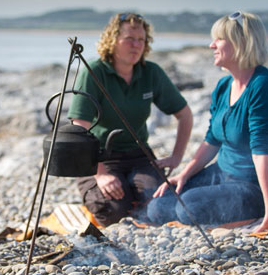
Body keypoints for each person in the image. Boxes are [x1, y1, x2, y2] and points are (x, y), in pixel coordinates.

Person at [147, 11, 268, 233]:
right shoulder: (224, 86)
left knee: (188, 208)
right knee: (158, 206)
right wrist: (184, 175)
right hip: (223, 173)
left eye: (219, 39)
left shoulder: (263, 87)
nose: (211, 45)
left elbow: (261, 154)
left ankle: (257, 213)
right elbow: (212, 140)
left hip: (253, 186)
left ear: (242, 43)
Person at [67, 13, 193, 227]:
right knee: (112, 212)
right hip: (100, 157)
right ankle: (113, 194)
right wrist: (100, 174)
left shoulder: (150, 72)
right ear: (113, 40)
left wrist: (176, 156)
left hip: (139, 155)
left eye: (141, 40)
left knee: (160, 206)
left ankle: (131, 195)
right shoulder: (94, 72)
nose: (136, 45)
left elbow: (185, 115)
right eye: (129, 39)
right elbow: (80, 128)